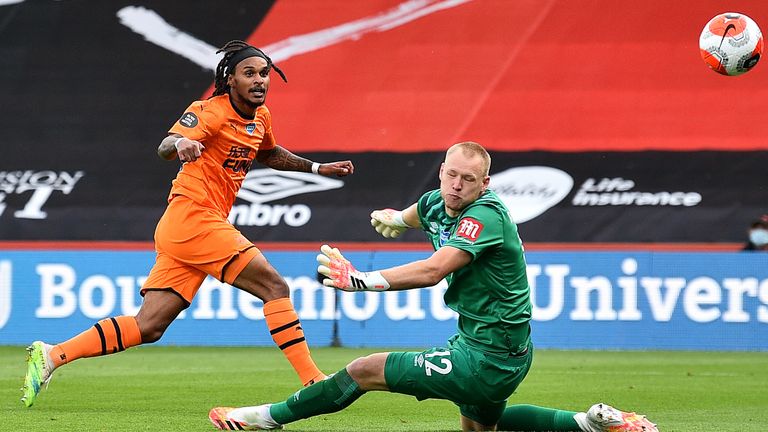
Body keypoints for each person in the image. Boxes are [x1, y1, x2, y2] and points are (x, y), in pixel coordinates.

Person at [207, 142, 657, 431]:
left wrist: (361, 280)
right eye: (451, 175)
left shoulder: (487, 216)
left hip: (488, 355)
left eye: (468, 180)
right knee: (484, 426)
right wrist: (394, 219)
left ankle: (264, 419)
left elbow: (434, 270)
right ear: (441, 171)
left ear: (486, 184)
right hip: (497, 350)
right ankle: (594, 425)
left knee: (365, 369)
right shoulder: (438, 202)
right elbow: (416, 213)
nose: (457, 187)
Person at [21, 40, 354, 408]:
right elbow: (168, 144)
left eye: (264, 74)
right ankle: (311, 380)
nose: (259, 80)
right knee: (274, 286)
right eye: (249, 74)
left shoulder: (261, 118)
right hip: (193, 217)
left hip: (188, 228)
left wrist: (316, 168)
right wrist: (180, 145)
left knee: (149, 326)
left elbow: (269, 153)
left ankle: (52, 355)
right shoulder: (209, 112)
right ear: (229, 80)